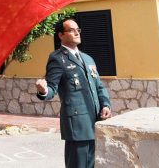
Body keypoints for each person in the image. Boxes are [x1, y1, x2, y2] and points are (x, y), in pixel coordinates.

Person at [35, 17, 111, 168]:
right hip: (77, 124)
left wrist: (106, 105)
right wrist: (43, 91)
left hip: (95, 121)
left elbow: (99, 86)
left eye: (78, 29)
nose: (77, 32)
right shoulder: (57, 58)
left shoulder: (88, 59)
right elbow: (52, 88)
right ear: (61, 35)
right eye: (71, 30)